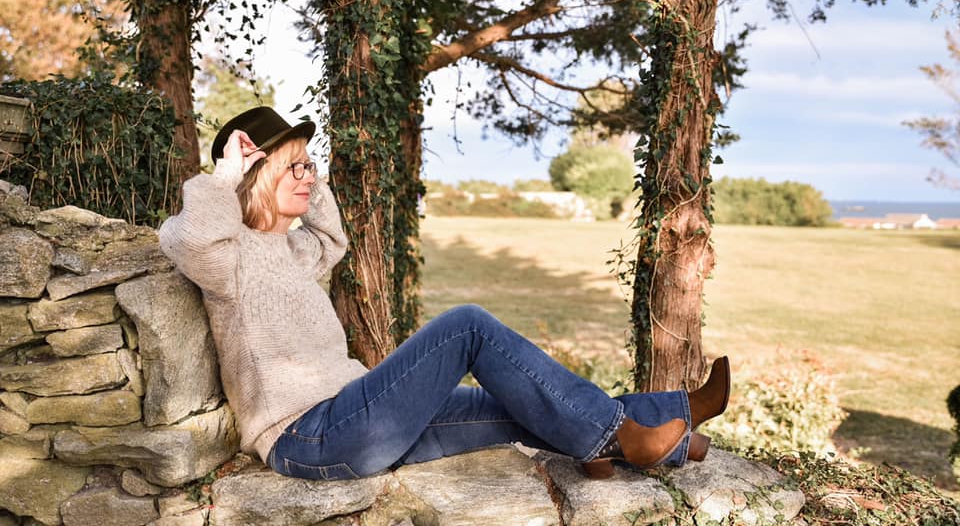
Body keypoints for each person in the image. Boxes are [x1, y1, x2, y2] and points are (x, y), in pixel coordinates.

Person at [159, 107, 730, 482]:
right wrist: (224, 174)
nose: (309, 176)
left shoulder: (291, 250)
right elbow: (185, 239)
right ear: (255, 176)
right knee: (467, 326)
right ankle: (627, 435)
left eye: (310, 165)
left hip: (350, 416)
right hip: (309, 436)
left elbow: (331, 239)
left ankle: (669, 423)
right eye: (294, 168)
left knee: (511, 406)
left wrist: (303, 163)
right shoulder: (227, 257)